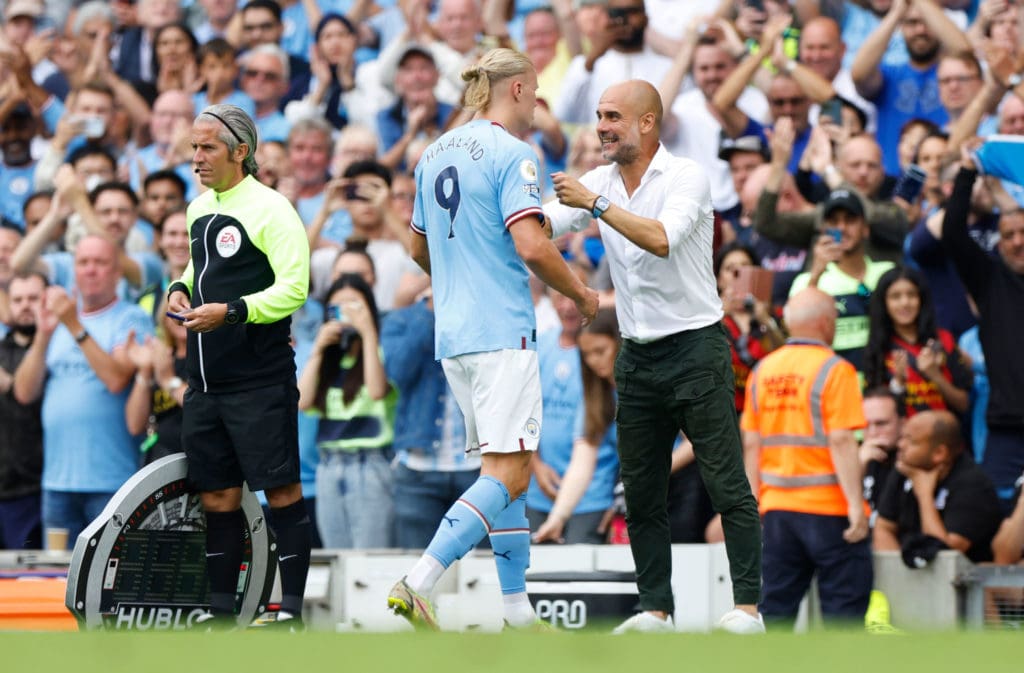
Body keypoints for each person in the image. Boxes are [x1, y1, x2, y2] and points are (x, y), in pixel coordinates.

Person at [386, 48, 598, 631]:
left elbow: (417, 248)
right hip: (504, 330)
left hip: (455, 337)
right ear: (522, 90)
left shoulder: (432, 153)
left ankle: (516, 612)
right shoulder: (513, 152)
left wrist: (463, 272)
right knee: (504, 475)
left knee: (510, 474)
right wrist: (581, 295)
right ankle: (420, 580)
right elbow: (530, 245)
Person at [543, 79, 763, 634]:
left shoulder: (686, 175)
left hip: (696, 346)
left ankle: (748, 610)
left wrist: (595, 203)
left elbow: (661, 238)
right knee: (640, 489)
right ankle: (655, 610)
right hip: (637, 355)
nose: (601, 126)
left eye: (612, 116)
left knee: (725, 482)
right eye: (597, 115)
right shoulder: (600, 179)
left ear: (647, 122)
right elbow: (544, 225)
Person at [166, 104, 311, 628]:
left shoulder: (273, 210)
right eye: (193, 148)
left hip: (259, 380)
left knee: (282, 493)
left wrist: (232, 312)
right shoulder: (198, 208)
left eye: (207, 148)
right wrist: (181, 284)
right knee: (219, 497)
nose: (197, 158)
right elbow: (198, 264)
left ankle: (290, 612)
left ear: (240, 152)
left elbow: (296, 288)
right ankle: (221, 616)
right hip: (204, 384)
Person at [741, 287, 872, 629]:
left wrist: (753, 501)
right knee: (843, 617)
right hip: (829, 511)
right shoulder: (835, 370)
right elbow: (842, 439)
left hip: (778, 513)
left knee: (775, 614)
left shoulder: (762, 371)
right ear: (827, 324)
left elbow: (751, 443)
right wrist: (856, 506)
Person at [12, 236, 152, 548]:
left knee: (107, 584)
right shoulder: (57, 320)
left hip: (112, 482)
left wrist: (74, 325)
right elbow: (24, 392)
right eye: (83, 262)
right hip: (56, 482)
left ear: (117, 273)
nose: (90, 270)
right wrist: (44, 336)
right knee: (53, 585)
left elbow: (115, 379)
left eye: (100, 263)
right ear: (73, 270)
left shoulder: (131, 318)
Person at [942, 150, 1024, 514]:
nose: (1018, 241)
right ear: (999, 241)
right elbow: (953, 233)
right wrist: (967, 172)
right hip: (1006, 428)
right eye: (1009, 235)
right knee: (991, 515)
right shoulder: (990, 281)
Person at [298, 274, 396, 548]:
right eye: (337, 308)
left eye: (355, 305)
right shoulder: (326, 359)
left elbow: (377, 390)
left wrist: (367, 333)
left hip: (371, 464)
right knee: (336, 555)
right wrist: (318, 348)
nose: (346, 314)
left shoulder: (380, 351)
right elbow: (302, 402)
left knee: (370, 555)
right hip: (328, 466)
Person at [381, 286, 481, 550]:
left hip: (476, 467)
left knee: (478, 577)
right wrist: (430, 312)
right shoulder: (402, 319)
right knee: (415, 568)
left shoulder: (482, 312)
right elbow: (397, 373)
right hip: (418, 469)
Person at [532, 307, 621, 545]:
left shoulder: (650, 384)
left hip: (676, 487)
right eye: (586, 354)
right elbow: (583, 460)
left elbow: (692, 442)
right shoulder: (597, 395)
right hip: (632, 489)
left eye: (600, 351)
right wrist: (557, 518)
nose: (594, 361)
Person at [873, 410, 1003, 564]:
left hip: (962, 582)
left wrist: (924, 495)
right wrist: (899, 576)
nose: (900, 445)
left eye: (911, 441)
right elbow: (883, 528)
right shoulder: (905, 467)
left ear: (939, 453)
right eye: (902, 438)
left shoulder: (973, 485)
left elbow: (945, 553)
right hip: (913, 574)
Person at [863, 266, 971, 418]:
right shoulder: (878, 347)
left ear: (922, 299)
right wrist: (898, 383)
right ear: (884, 303)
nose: (905, 303)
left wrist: (935, 376)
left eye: (912, 295)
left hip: (946, 437)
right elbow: (876, 415)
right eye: (895, 297)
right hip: (902, 440)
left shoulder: (943, 340)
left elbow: (964, 404)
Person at [0, 271, 46, 549]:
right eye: (18, 300)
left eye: (33, 298)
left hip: (39, 487)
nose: (25, 305)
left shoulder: (61, 347)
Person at [860, 387, 905, 517]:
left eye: (881, 424)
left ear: (903, 423)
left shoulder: (915, 464)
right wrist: (858, 468)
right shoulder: (855, 459)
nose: (873, 433)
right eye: (866, 425)